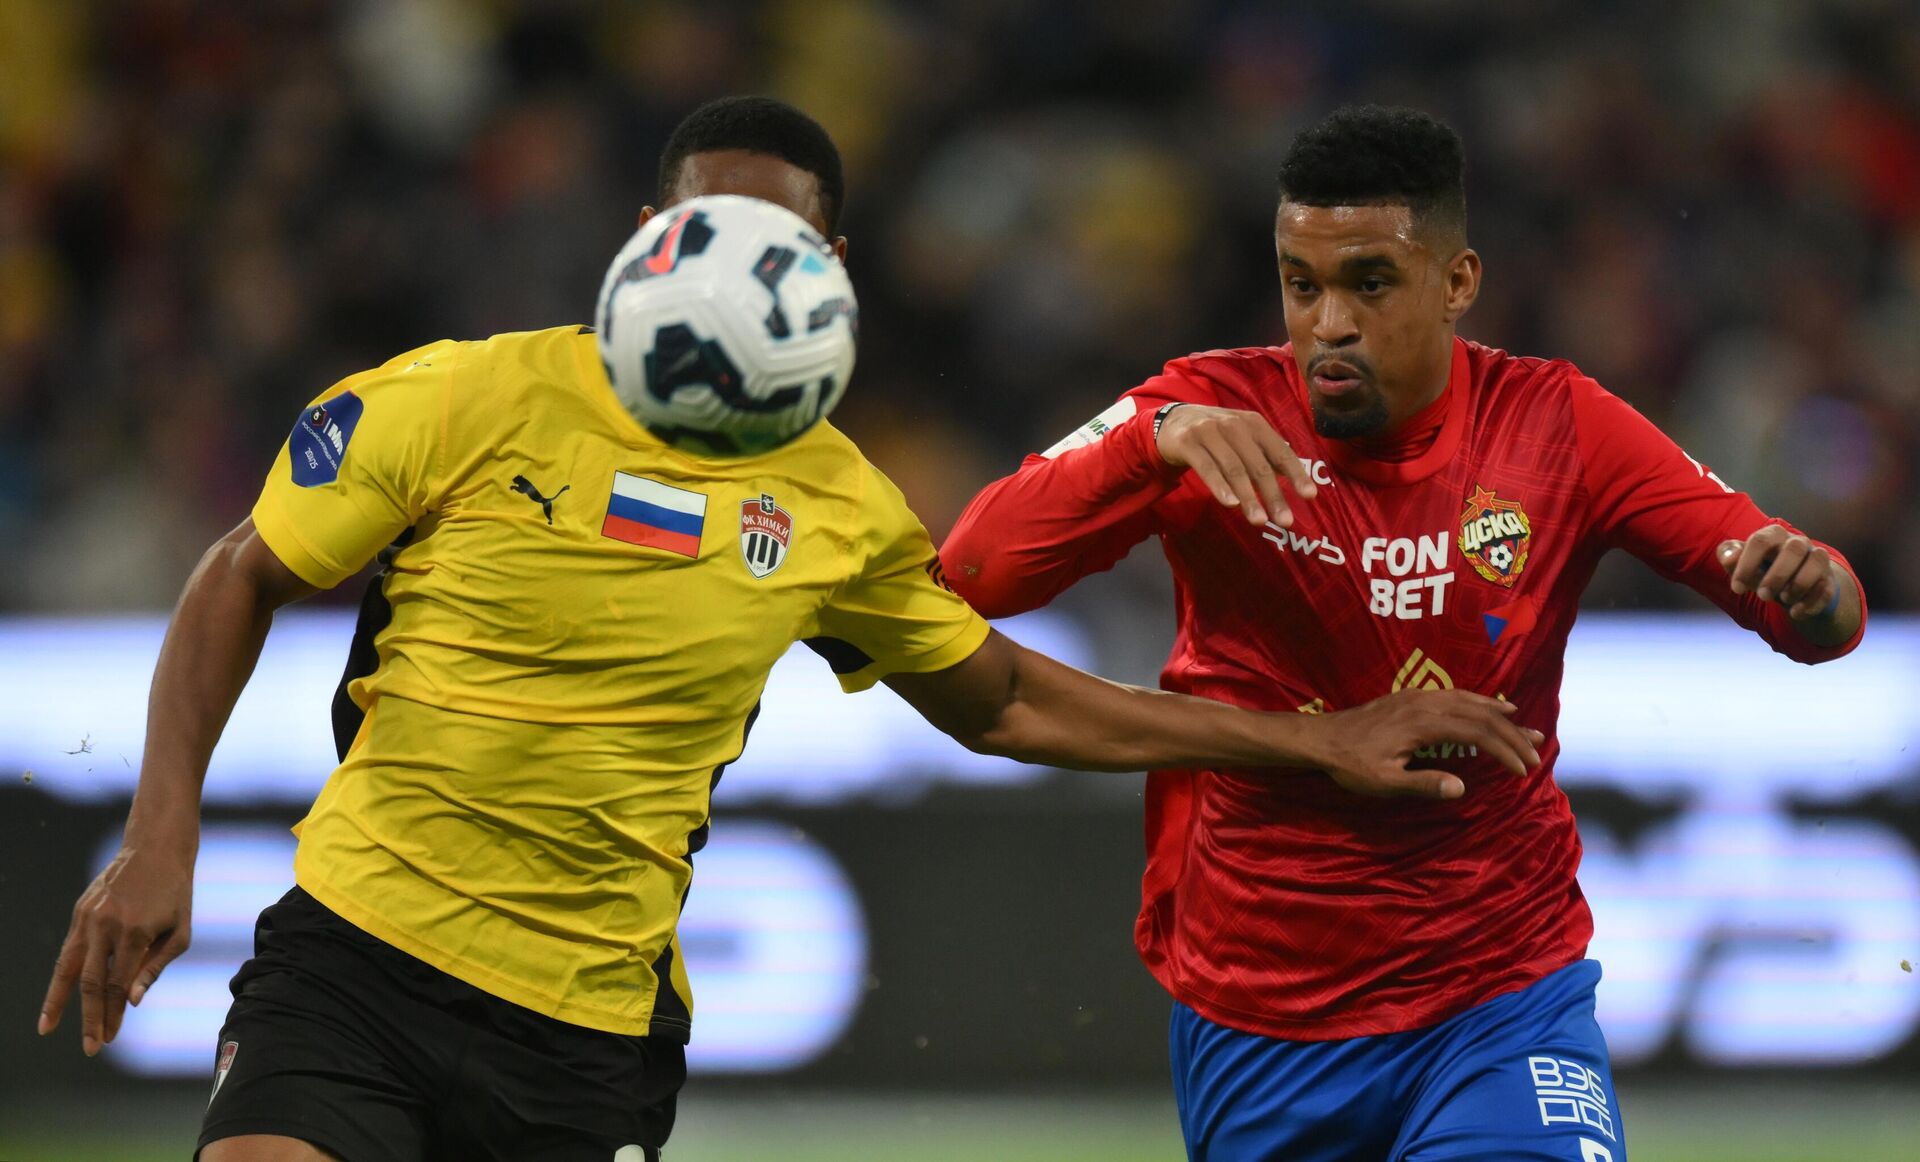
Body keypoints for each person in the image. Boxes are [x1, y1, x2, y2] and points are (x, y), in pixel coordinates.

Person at [36, 97, 1540, 1162]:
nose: (744, 268)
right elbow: (240, 572)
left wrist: (1309, 742)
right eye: (714, 229)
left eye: (786, 243)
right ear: (649, 238)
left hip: (586, 1031)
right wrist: (162, 831)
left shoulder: (835, 504)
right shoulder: (465, 396)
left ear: (833, 273)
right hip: (356, 956)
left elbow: (1006, 699)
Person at [940, 104, 1866, 1162]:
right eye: (1301, 285)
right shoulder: (1209, 413)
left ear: (1457, 281)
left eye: (1369, 283)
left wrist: (1813, 587)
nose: (1328, 323)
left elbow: (1815, 613)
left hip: (1501, 992)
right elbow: (973, 573)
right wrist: (1146, 442)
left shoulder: (1555, 424)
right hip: (1265, 1008)